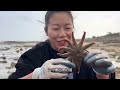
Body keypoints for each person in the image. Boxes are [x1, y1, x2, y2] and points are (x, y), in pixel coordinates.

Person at [8, 11, 116, 79]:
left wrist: (102, 75)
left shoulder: (87, 58)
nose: (62, 34)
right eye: (55, 28)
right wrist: (36, 75)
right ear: (46, 31)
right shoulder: (32, 56)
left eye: (68, 28)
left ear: (73, 29)